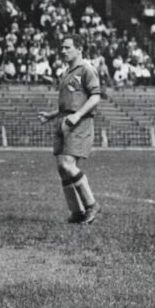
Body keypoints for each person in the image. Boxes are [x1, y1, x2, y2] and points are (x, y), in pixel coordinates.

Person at [37, 34, 101, 224]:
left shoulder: (87, 70)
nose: (63, 51)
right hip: (63, 120)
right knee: (61, 169)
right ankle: (77, 212)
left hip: (78, 123)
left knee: (68, 165)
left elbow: (95, 97)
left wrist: (78, 115)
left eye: (67, 47)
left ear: (79, 49)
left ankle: (91, 205)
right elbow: (69, 103)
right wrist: (52, 115)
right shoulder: (66, 72)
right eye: (62, 48)